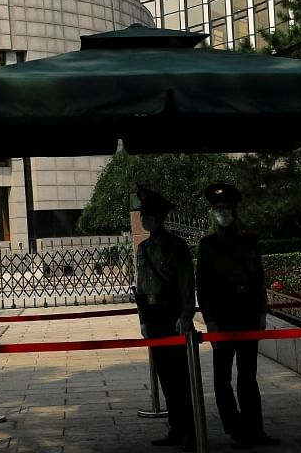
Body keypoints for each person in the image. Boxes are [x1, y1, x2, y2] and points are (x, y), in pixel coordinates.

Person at [196, 182, 280, 448]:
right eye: (217, 209)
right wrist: (209, 320)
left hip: (246, 315)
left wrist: (261, 312)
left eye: (226, 208)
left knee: (248, 376)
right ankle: (235, 428)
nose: (222, 213)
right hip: (222, 318)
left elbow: (258, 279)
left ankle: (255, 428)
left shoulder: (250, 240)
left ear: (234, 211)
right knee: (222, 377)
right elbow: (203, 285)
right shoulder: (208, 245)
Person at [134, 186, 196, 450]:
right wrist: (143, 320)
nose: (143, 219)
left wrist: (186, 314)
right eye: (142, 214)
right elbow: (141, 285)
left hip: (172, 315)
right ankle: (175, 428)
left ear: (158, 218)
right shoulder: (143, 247)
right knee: (165, 377)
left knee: (181, 377)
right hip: (154, 314)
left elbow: (186, 283)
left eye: (147, 215)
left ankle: (192, 431)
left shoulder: (175, 246)